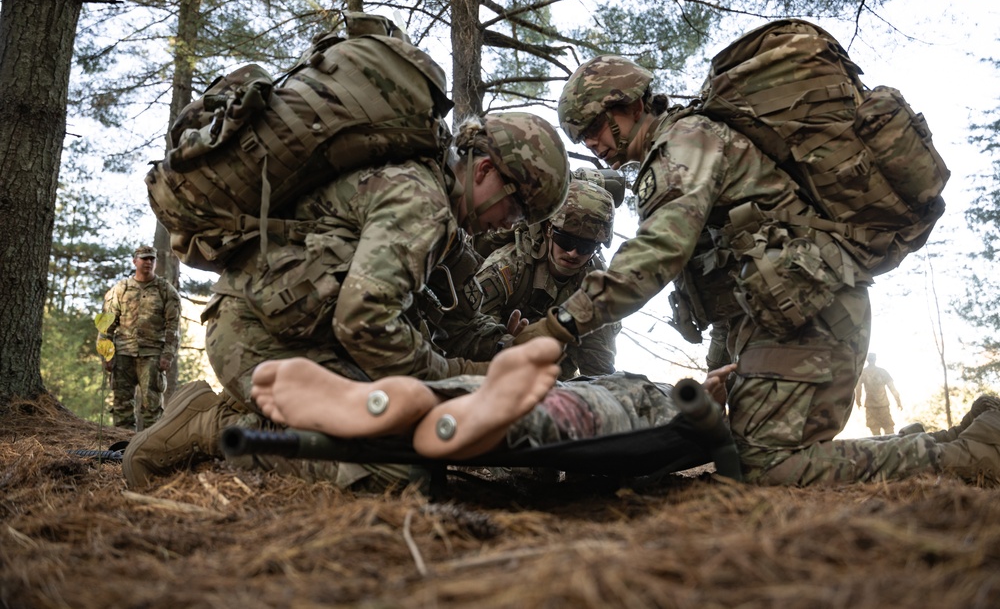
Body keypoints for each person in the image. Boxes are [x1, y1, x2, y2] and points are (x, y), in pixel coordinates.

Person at [506, 53, 1000, 487]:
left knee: (764, 466)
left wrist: (558, 327)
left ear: (631, 104)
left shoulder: (685, 141)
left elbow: (655, 254)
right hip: (784, 316)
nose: (591, 142)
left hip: (812, 316)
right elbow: (719, 271)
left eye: (594, 125)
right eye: (579, 134)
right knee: (740, 453)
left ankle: (970, 454)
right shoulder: (683, 144)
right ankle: (965, 436)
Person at [122, 111, 571, 489]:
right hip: (256, 337)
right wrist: (463, 377)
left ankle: (250, 409)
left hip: (299, 339)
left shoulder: (445, 221)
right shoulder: (421, 201)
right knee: (395, 472)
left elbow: (456, 322)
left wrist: (501, 352)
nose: (506, 226)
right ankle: (211, 426)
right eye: (514, 210)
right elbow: (366, 324)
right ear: (486, 171)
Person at [250, 337, 737, 462]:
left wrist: (704, 402)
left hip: (635, 399)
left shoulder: (681, 411)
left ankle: (431, 402)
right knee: (563, 408)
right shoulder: (669, 406)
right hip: (622, 396)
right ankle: (456, 413)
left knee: (539, 400)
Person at [474, 178, 620, 379]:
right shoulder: (510, 264)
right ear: (548, 230)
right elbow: (469, 331)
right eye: (565, 240)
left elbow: (599, 366)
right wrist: (505, 344)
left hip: (550, 382)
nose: (573, 253)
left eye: (586, 246)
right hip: (489, 368)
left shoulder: (596, 289)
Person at [97, 245, 181, 431]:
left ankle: (149, 448)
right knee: (122, 404)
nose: (148, 262)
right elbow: (106, 325)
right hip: (123, 353)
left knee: (152, 406)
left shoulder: (165, 290)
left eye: (152, 259)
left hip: (152, 354)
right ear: (135, 261)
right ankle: (122, 447)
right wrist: (106, 355)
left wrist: (167, 355)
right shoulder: (120, 290)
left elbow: (173, 327)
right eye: (144, 258)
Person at [855, 353, 903, 435]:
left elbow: (858, 388)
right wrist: (898, 401)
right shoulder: (882, 372)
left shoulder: (863, 373)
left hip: (871, 406)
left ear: (867, 360)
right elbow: (892, 388)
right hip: (882, 405)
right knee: (889, 430)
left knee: (875, 432)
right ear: (875, 359)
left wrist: (858, 401)